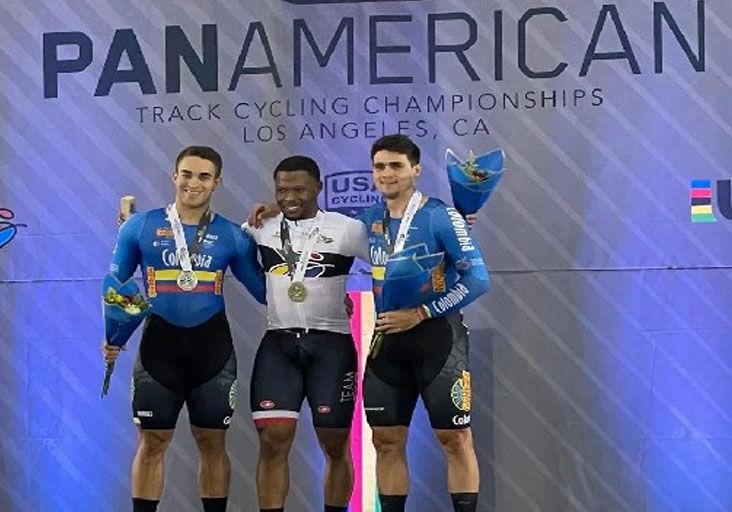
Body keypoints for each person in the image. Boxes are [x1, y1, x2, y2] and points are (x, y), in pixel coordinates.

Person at [102, 145, 267, 512]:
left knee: (212, 442)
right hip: (159, 347)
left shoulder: (233, 236)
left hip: (212, 350)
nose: (194, 183)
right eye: (187, 174)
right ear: (174, 176)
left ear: (217, 182)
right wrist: (113, 336)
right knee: (152, 441)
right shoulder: (140, 226)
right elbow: (116, 284)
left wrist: (271, 238)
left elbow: (262, 292)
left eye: (204, 176)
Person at [360, 134, 490, 512]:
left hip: (438, 338)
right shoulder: (369, 220)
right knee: (385, 441)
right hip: (388, 343)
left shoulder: (440, 215)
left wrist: (421, 313)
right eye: (380, 166)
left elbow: (478, 279)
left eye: (396, 165)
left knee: (455, 438)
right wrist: (273, 211)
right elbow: (323, 239)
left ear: (416, 170)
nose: (387, 173)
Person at [244, 155, 369, 512]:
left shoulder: (347, 228)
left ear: (318, 187)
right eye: (282, 190)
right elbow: (220, 246)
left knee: (334, 442)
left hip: (331, 344)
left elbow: (392, 261)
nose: (289, 197)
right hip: (279, 344)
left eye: (299, 189)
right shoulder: (260, 226)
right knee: (272, 441)